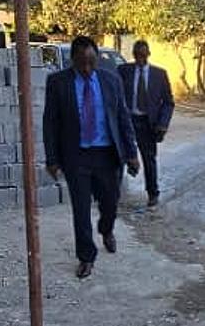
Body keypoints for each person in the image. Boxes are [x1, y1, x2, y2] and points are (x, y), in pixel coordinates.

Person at [43, 36, 139, 279]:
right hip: (77, 156)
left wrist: (131, 153)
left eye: (91, 62)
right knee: (81, 209)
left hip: (107, 155)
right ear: (72, 60)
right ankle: (86, 257)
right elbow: (50, 123)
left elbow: (123, 118)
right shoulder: (58, 82)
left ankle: (106, 229)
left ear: (97, 58)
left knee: (110, 203)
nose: (87, 68)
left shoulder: (111, 80)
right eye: (81, 63)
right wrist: (52, 158)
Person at [117, 41, 174, 207]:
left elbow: (168, 102)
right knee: (120, 155)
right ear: (133, 55)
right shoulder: (123, 71)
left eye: (143, 55)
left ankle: (152, 193)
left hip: (148, 123)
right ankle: (114, 192)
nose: (140, 58)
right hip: (128, 120)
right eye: (137, 55)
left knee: (149, 159)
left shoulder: (159, 74)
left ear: (148, 54)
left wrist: (163, 123)